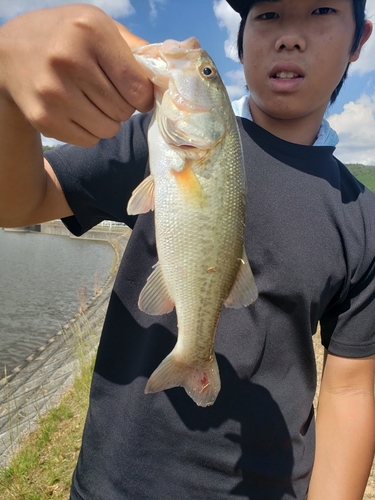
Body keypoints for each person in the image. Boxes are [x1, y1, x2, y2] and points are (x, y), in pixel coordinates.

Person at [0, 0, 374, 498]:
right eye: (268, 16)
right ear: (240, 41)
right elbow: (19, 203)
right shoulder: (152, 138)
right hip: (111, 483)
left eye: (320, 10)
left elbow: (350, 389)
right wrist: (6, 95)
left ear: (359, 41)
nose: (290, 36)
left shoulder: (363, 217)